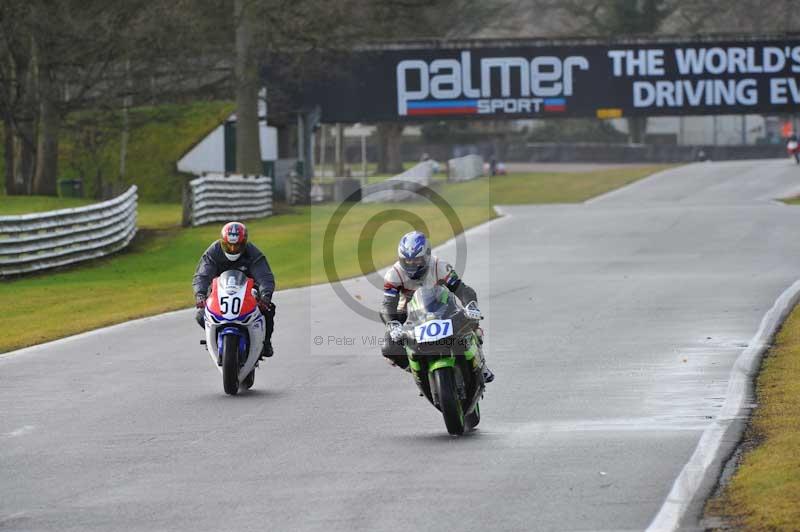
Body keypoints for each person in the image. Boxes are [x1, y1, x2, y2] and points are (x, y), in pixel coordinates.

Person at [379, 230, 494, 383]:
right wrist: (392, 323)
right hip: (408, 313)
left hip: (441, 306)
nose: (412, 265)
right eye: (407, 261)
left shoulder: (440, 266)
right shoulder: (393, 274)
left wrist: (471, 305)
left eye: (417, 260)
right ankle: (418, 372)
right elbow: (388, 303)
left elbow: (461, 289)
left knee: (472, 324)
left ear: (427, 256)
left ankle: (481, 365)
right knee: (389, 348)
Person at [192, 221, 276, 358]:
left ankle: (266, 342)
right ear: (222, 242)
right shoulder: (214, 251)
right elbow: (203, 274)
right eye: (228, 245)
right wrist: (200, 294)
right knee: (201, 315)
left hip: (248, 292)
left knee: (268, 310)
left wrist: (265, 295)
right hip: (219, 292)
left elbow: (264, 276)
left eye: (237, 245)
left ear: (244, 243)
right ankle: (213, 338)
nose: (232, 249)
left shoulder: (252, 252)